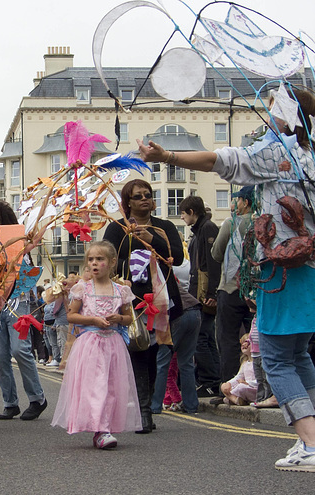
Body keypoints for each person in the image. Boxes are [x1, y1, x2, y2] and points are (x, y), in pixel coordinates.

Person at [137, 86, 315, 470]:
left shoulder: (279, 151)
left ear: (289, 114)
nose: (267, 118)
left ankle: (311, 443)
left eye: (273, 110)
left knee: (276, 357)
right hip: (308, 267)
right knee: (298, 354)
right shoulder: (310, 151)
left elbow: (223, 160)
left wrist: (165, 155)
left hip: (282, 270)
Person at [104, 178, 184, 433]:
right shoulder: (117, 228)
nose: (145, 199)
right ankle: (144, 411)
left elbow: (178, 258)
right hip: (133, 301)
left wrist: (152, 240)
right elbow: (108, 261)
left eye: (148, 195)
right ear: (127, 202)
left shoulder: (164, 227)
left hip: (162, 299)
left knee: (154, 355)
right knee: (138, 350)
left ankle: (144, 406)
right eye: (138, 196)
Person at [51, 241, 141, 449]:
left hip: (113, 344)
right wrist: (92, 320)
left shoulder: (121, 290)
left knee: (111, 386)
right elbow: (72, 315)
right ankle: (100, 430)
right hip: (90, 345)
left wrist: (118, 317)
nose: (94, 263)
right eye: (91, 259)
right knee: (95, 386)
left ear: (111, 263)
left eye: (99, 259)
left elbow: (129, 318)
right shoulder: (82, 288)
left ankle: (106, 427)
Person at [0, 200, 47, 421]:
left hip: (17, 301)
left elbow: (28, 272)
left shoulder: (21, 243)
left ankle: (37, 398)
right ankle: (10, 402)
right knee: (0, 355)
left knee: (19, 349)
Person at [179, 195, 222, 397]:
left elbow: (213, 262)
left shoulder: (207, 229)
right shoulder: (200, 231)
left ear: (191, 212)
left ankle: (210, 380)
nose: (182, 218)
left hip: (204, 292)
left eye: (183, 213)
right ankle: (213, 379)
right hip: (199, 291)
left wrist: (212, 292)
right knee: (205, 337)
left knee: (200, 339)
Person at [211, 186, 254, 388]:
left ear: (245, 202)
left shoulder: (231, 222)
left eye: (236, 200)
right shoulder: (264, 222)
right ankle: (257, 385)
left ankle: (228, 386)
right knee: (258, 339)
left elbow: (216, 253)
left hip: (230, 288)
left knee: (227, 338)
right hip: (257, 290)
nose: (233, 204)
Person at [151, 248, 201, 415]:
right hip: (194, 310)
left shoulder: (155, 274)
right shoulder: (169, 273)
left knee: (163, 361)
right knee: (186, 363)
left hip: (177, 315)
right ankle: (191, 405)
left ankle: (155, 405)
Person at [221, 333, 257, 405]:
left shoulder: (258, 362)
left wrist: (248, 383)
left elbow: (261, 379)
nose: (243, 344)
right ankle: (238, 400)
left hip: (254, 388)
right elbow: (238, 376)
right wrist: (229, 383)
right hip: (244, 386)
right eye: (242, 342)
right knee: (223, 386)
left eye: (247, 342)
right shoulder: (245, 363)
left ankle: (232, 398)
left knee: (241, 387)